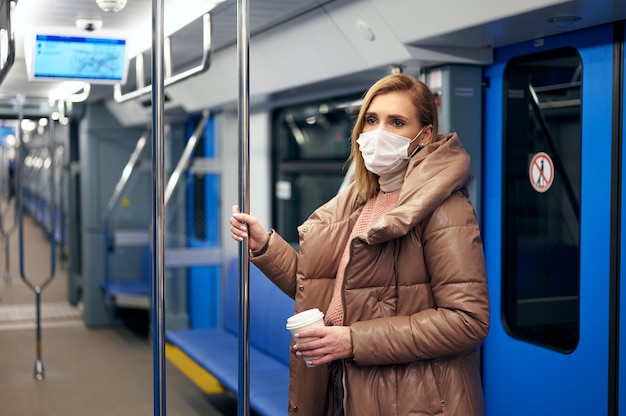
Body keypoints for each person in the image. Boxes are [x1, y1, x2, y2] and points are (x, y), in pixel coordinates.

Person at [230, 73, 490, 416]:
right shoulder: (359, 202)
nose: (379, 132)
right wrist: (265, 246)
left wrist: (354, 340)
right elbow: (325, 291)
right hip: (347, 386)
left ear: (424, 135)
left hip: (415, 400)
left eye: (396, 122)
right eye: (371, 119)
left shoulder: (445, 209)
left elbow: (468, 320)